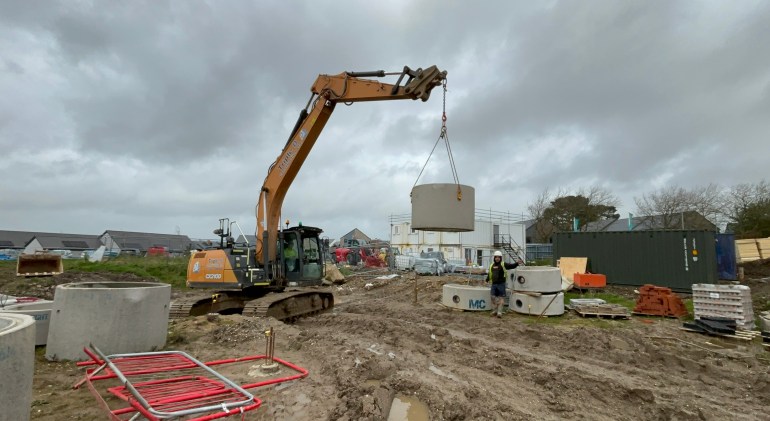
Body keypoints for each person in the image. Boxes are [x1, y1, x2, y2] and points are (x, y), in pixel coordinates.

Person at [487, 250, 521, 318]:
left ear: (500, 258)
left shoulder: (503, 264)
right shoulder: (491, 265)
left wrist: (517, 263)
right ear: (494, 258)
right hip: (494, 284)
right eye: (496, 257)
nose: (497, 258)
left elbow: (511, 266)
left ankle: (499, 312)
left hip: (501, 284)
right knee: (492, 297)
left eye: (498, 257)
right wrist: (487, 279)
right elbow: (490, 273)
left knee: (501, 297)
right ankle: (495, 310)